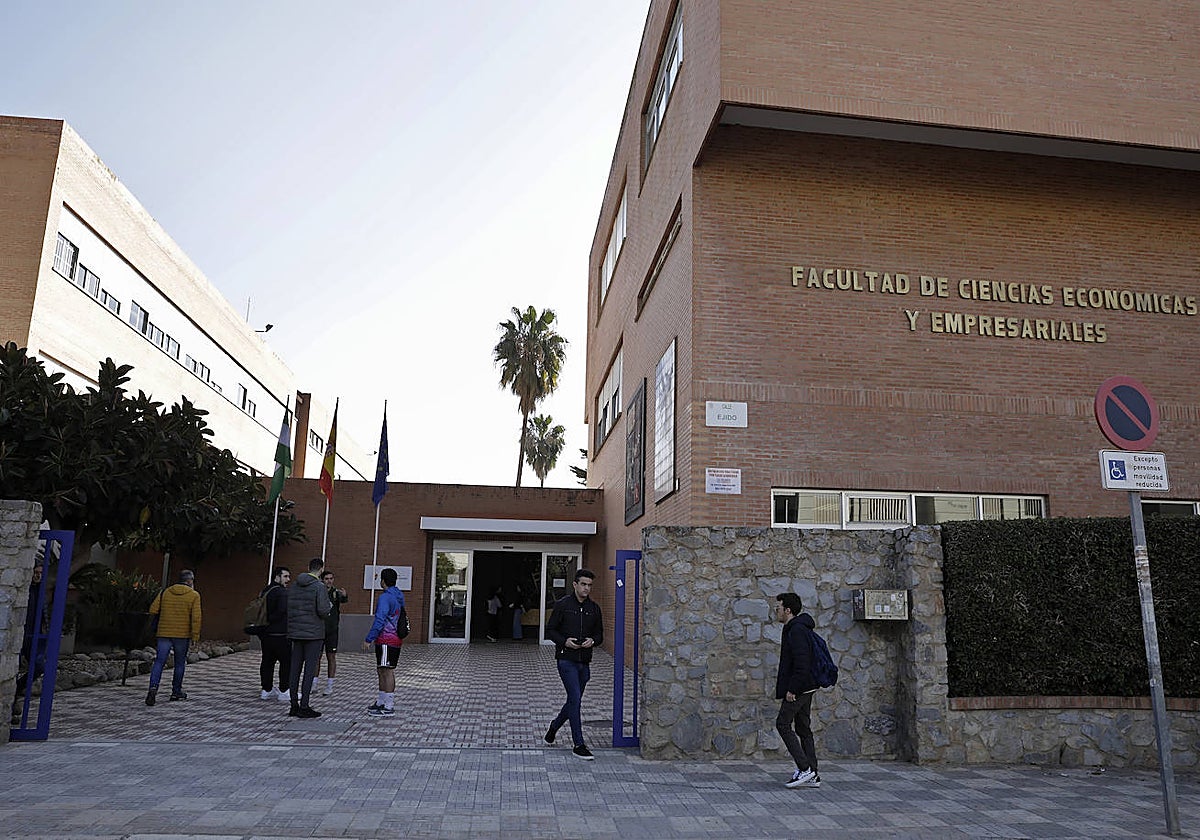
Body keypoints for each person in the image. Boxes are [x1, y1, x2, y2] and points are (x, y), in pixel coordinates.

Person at [544, 568, 603, 760]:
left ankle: (554, 726)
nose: (587, 588)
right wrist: (564, 642)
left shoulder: (593, 608)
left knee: (573, 701)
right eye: (584, 584)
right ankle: (579, 744)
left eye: (589, 585)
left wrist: (592, 641)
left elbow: (600, 635)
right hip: (566, 660)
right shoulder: (562, 605)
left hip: (584, 662)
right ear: (575, 585)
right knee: (575, 699)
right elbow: (550, 630)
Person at [774, 592, 821, 789]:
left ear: (788, 610)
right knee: (803, 728)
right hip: (807, 686)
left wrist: (792, 689)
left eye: (778, 608)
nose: (775, 611)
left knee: (783, 724)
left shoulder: (797, 630)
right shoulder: (796, 628)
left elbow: (802, 662)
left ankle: (805, 769)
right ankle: (813, 775)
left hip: (800, 687)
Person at [146, 569, 202, 706]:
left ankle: (153, 689)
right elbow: (196, 618)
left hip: (164, 633)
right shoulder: (194, 595)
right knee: (179, 663)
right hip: (182, 635)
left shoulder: (165, 592)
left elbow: (153, 609)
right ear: (189, 581)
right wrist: (195, 636)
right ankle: (176, 691)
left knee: (159, 662)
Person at [286, 558, 331, 718]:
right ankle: (304, 705)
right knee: (309, 669)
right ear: (321, 569)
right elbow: (323, 610)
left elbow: (289, 607)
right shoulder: (319, 587)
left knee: (295, 669)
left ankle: (293, 705)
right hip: (313, 633)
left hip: (296, 632)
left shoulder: (294, 586)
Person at [363, 566, 405, 717]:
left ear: (383, 581)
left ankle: (389, 705)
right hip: (393, 639)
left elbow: (380, 619)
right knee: (382, 669)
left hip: (387, 638)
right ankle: (381, 701)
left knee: (387, 671)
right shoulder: (399, 596)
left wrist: (369, 638)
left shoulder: (386, 597)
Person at [11, 562, 46, 724]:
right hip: (20, 634)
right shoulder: (25, 590)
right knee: (12, 668)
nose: (38, 575)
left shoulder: (41, 591)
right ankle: (10, 707)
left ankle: (15, 689)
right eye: (36, 572)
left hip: (34, 635)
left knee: (38, 666)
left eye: (40, 572)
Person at [258, 566, 292, 702]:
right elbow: (282, 610)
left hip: (265, 634)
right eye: (285, 576)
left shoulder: (265, 590)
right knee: (286, 663)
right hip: (280, 633)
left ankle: (266, 689)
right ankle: (284, 690)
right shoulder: (281, 592)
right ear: (277, 577)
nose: (288, 579)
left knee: (267, 661)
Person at [316, 569, 349, 695]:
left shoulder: (336, 593)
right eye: (327, 579)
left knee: (331, 657)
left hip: (332, 630)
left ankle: (330, 685)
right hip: (319, 630)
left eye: (331, 578)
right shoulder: (318, 591)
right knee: (316, 657)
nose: (329, 581)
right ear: (322, 580)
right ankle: (314, 683)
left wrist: (344, 595)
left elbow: (343, 600)